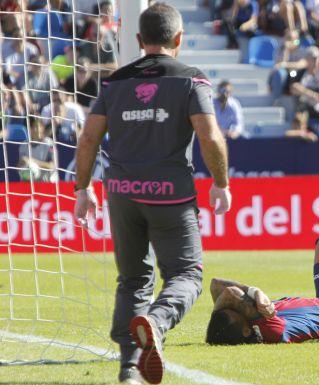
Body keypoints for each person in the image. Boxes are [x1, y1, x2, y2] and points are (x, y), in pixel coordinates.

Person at [73, 4, 232, 384]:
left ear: (140, 41)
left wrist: (82, 189)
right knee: (187, 273)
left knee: (132, 280)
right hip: (170, 194)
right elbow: (209, 135)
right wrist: (221, 183)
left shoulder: (115, 82)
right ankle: (156, 324)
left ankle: (129, 368)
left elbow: (89, 137)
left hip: (122, 192)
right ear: (179, 39)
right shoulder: (190, 79)